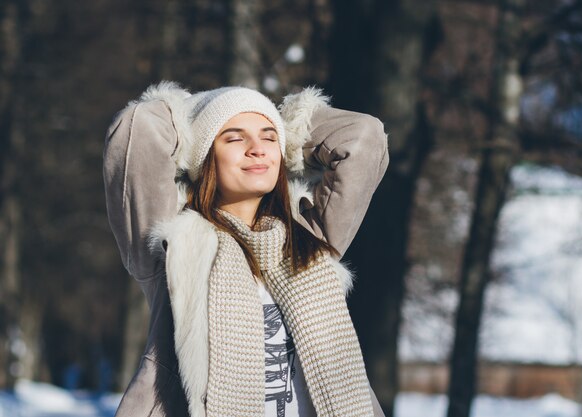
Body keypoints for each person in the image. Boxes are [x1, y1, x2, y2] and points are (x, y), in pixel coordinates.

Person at [103, 81, 389, 417]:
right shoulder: (173, 240)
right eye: (235, 138)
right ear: (205, 154)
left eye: (269, 137)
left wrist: (289, 131)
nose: (258, 149)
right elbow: (138, 131)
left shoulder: (310, 235)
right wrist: (196, 115)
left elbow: (364, 137)